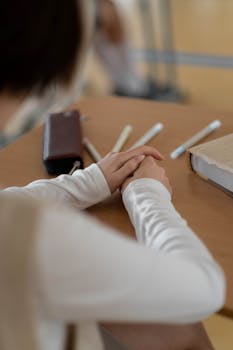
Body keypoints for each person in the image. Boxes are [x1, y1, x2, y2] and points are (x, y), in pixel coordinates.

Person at [0, 1, 225, 350]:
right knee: (180, 328)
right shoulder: (33, 238)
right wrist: (146, 193)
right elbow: (204, 290)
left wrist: (89, 181)